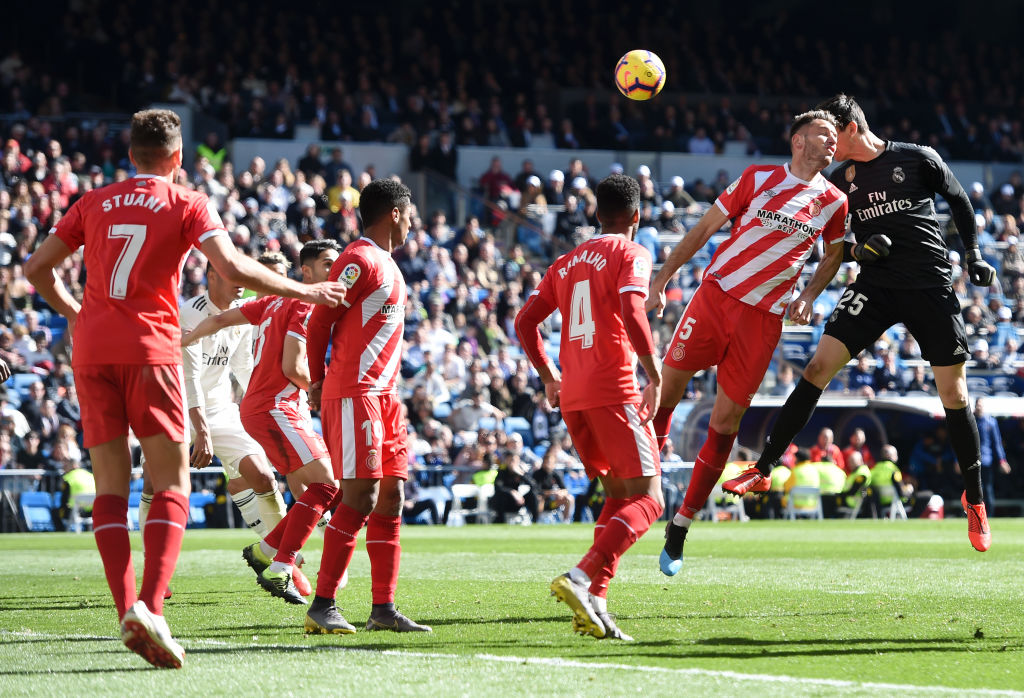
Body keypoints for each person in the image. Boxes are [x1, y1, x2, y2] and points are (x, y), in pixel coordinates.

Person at [22, 109, 345, 669]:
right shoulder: (188, 202)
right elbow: (234, 269)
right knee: (171, 483)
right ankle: (150, 605)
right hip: (151, 349)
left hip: (93, 353)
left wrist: (78, 312)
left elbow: (35, 270)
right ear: (177, 158)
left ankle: (128, 606)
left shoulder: (93, 202)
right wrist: (307, 292)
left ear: (131, 155)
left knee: (110, 489)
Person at [723, 94, 998, 553]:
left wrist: (973, 256)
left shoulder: (916, 159)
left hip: (929, 286)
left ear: (852, 129)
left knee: (955, 393)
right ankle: (764, 468)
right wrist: (857, 253)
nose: (828, 148)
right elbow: (829, 245)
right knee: (816, 369)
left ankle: (976, 500)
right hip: (875, 287)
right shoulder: (839, 181)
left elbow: (961, 201)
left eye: (833, 136)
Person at [647, 111, 848, 575]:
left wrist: (811, 293)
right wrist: (661, 280)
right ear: (798, 141)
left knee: (727, 421)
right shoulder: (757, 178)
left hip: (763, 322)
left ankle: (680, 526)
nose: (832, 142)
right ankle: (645, 483)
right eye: (823, 134)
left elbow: (836, 252)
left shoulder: (834, 201)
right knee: (667, 392)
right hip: (715, 299)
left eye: (836, 137)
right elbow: (701, 231)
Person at [515, 173, 665, 642]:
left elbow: (525, 322)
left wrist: (549, 376)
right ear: (636, 217)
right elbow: (632, 309)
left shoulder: (565, 262)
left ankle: (595, 600)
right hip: (614, 389)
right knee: (650, 499)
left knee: (620, 497)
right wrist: (654, 374)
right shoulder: (631, 253)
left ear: (596, 214)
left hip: (575, 397)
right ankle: (580, 577)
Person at [182, 240, 344, 605]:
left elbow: (222, 320)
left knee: (314, 489)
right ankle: (280, 563)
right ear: (306, 272)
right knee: (327, 487)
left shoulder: (270, 302)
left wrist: (188, 338)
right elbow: (293, 368)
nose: (334, 271)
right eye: (327, 264)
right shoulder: (303, 302)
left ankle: (267, 551)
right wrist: (321, 387)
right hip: (276, 407)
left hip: (254, 409)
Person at [303, 179, 432, 634]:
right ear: (395, 213)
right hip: (356, 392)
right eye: (410, 211)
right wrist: (317, 381)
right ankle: (322, 603)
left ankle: (383, 609)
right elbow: (319, 321)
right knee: (360, 497)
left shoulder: (388, 264)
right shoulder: (358, 259)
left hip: (386, 398)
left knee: (391, 498)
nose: (414, 219)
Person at [139, 261, 287, 548]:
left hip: (219, 408)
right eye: (231, 275)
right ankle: (151, 564)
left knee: (264, 478)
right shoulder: (190, 315)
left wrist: (268, 405)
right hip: (174, 408)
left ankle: (283, 556)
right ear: (211, 277)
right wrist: (203, 433)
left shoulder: (241, 314)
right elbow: (190, 379)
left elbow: (243, 366)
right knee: (154, 484)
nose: (240, 282)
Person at [974, 398, 1010, 514]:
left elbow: (997, 443)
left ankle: (989, 516)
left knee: (987, 489)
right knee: (974, 490)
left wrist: (1002, 460)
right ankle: (974, 515)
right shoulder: (971, 420)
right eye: (977, 405)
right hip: (972, 461)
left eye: (981, 405)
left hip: (986, 461)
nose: (979, 407)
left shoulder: (991, 422)